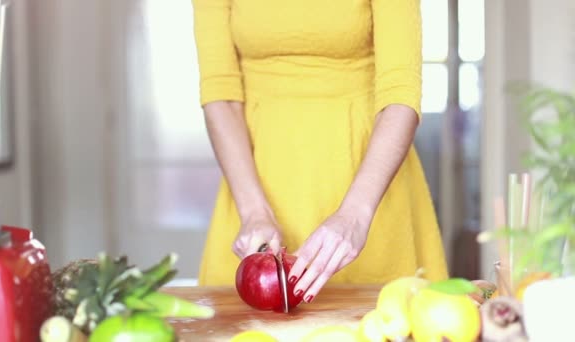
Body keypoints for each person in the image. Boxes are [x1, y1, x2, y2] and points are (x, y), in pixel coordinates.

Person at [191, 0, 448, 303]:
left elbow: (400, 91)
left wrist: (355, 215)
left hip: (369, 185)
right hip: (254, 182)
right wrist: (253, 212)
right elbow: (221, 94)